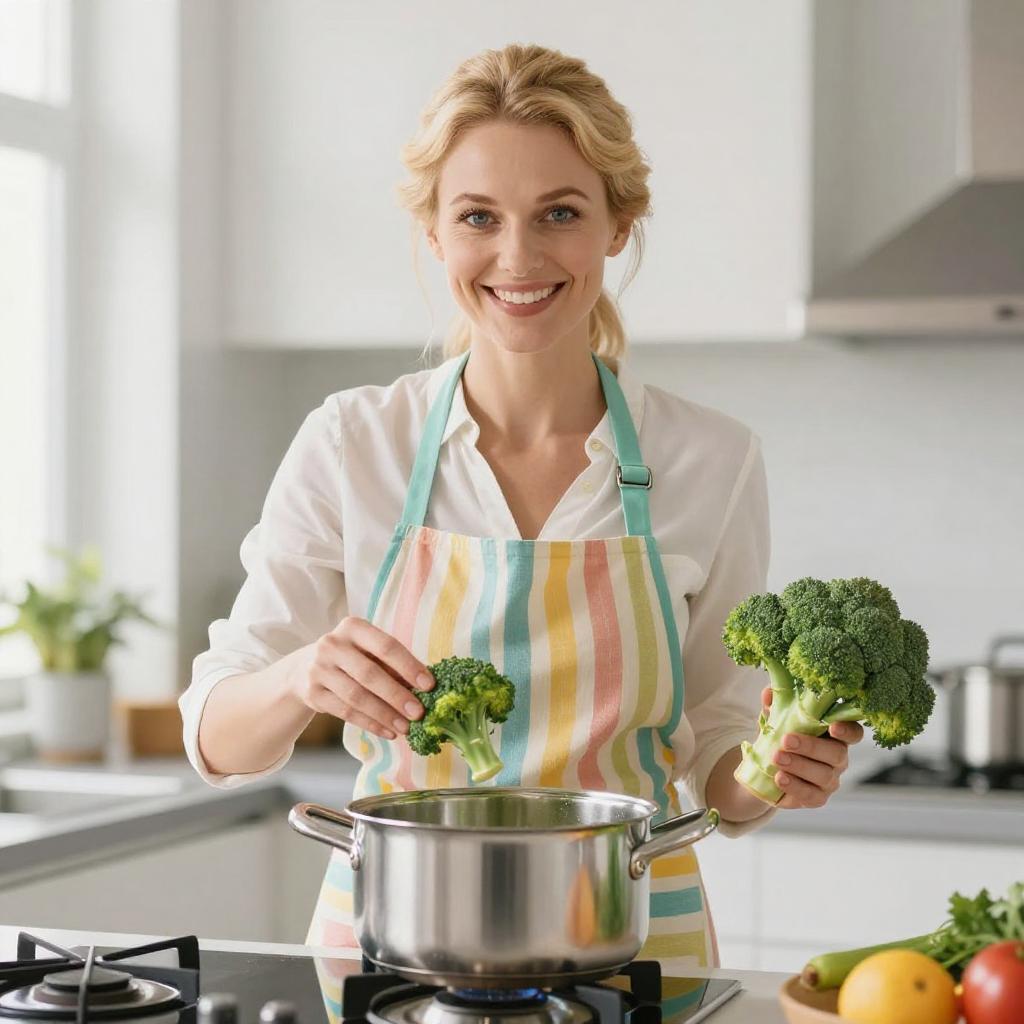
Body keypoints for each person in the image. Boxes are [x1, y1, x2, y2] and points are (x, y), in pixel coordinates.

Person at [179, 43, 863, 973]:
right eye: (477, 217)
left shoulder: (712, 460)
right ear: (433, 232)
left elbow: (720, 751)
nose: (518, 256)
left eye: (560, 214)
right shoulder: (353, 444)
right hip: (395, 945)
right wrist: (305, 676)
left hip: (632, 945)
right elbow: (215, 736)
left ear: (618, 226)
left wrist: (772, 777)